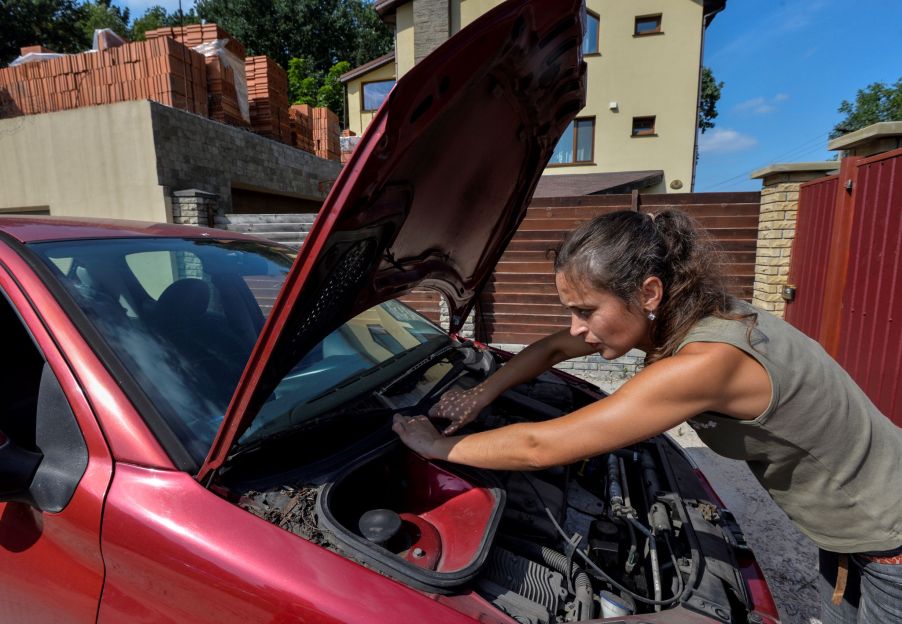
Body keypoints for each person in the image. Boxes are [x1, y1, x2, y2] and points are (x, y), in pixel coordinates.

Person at [392, 209, 902, 622]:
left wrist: (436, 447)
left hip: (889, 544)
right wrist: (482, 392)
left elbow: (540, 447)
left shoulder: (706, 363)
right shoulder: (698, 311)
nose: (579, 328)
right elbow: (552, 349)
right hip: (853, 536)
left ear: (649, 293)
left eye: (587, 311)